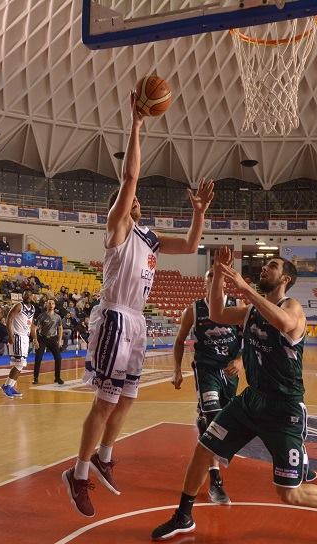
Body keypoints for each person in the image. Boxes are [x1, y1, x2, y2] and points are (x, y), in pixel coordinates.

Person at [150, 247, 317, 544]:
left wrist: (244, 288)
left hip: (284, 409)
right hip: (251, 400)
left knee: (290, 494)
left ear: (285, 278)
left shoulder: (293, 307)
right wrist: (218, 273)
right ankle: (184, 515)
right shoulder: (251, 311)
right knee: (205, 447)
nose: (265, 269)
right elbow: (217, 313)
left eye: (272, 265)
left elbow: (284, 323)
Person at [62, 90, 214, 518]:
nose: (131, 201)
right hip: (113, 316)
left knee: (127, 398)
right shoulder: (117, 230)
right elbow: (129, 180)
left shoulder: (148, 239)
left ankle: (105, 456)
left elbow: (190, 243)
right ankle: (77, 473)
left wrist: (199, 211)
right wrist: (136, 125)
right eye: (126, 200)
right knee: (105, 401)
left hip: (137, 323)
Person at [170, 268, 242, 505]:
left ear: (223, 283)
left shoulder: (237, 305)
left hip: (229, 373)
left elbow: (250, 338)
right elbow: (180, 340)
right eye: (208, 279)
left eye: (215, 279)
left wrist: (240, 360)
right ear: (204, 285)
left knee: (225, 422)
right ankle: (216, 480)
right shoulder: (193, 309)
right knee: (212, 419)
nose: (211, 282)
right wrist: (177, 370)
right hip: (206, 369)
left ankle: (207, 433)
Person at [0, 291, 36, 398]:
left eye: (30, 295)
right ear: (23, 296)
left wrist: (35, 338)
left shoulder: (33, 308)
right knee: (19, 363)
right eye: (26, 294)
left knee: (20, 365)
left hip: (25, 337)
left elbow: (32, 324)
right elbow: (9, 319)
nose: (28, 296)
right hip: (17, 336)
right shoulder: (19, 306)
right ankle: (7, 386)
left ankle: (8, 386)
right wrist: (10, 336)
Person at [32, 298, 64, 386]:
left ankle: (57, 378)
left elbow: (60, 328)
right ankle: (35, 378)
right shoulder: (41, 316)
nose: (51, 305)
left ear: (54, 305)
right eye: (49, 303)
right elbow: (34, 328)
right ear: (46, 305)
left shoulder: (58, 317)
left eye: (52, 303)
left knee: (58, 358)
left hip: (53, 338)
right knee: (38, 358)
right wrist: (35, 340)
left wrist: (60, 340)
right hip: (42, 338)